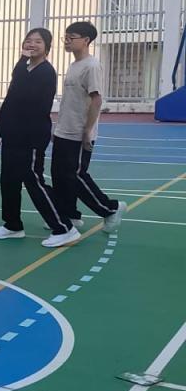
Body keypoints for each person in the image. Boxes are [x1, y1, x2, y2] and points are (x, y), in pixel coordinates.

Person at [0, 28, 73, 245]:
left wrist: (17, 128)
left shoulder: (45, 72)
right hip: (12, 134)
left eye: (38, 41)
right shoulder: (23, 69)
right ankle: (12, 225)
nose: (32, 44)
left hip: (31, 136)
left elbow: (31, 103)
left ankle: (63, 227)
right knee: (8, 181)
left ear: (47, 47)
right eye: (28, 40)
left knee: (34, 181)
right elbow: (11, 99)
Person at [50, 21, 124, 240]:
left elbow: (96, 100)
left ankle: (110, 208)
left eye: (71, 37)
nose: (67, 41)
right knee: (59, 176)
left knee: (75, 176)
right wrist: (59, 126)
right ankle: (69, 215)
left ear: (86, 40)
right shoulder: (74, 65)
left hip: (79, 132)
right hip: (64, 130)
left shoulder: (92, 66)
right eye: (65, 37)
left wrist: (88, 131)